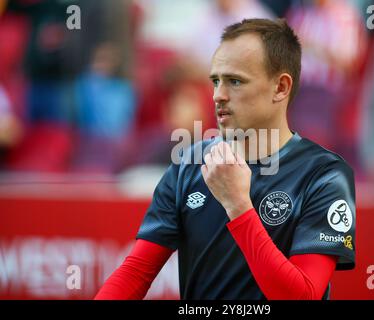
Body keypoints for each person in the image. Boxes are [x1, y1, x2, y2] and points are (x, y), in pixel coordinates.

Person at [95, 18, 355, 300]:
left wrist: (239, 206)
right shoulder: (188, 164)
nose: (218, 95)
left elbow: (302, 296)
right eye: (215, 81)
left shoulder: (324, 175)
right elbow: (136, 272)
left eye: (235, 81)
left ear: (280, 87)